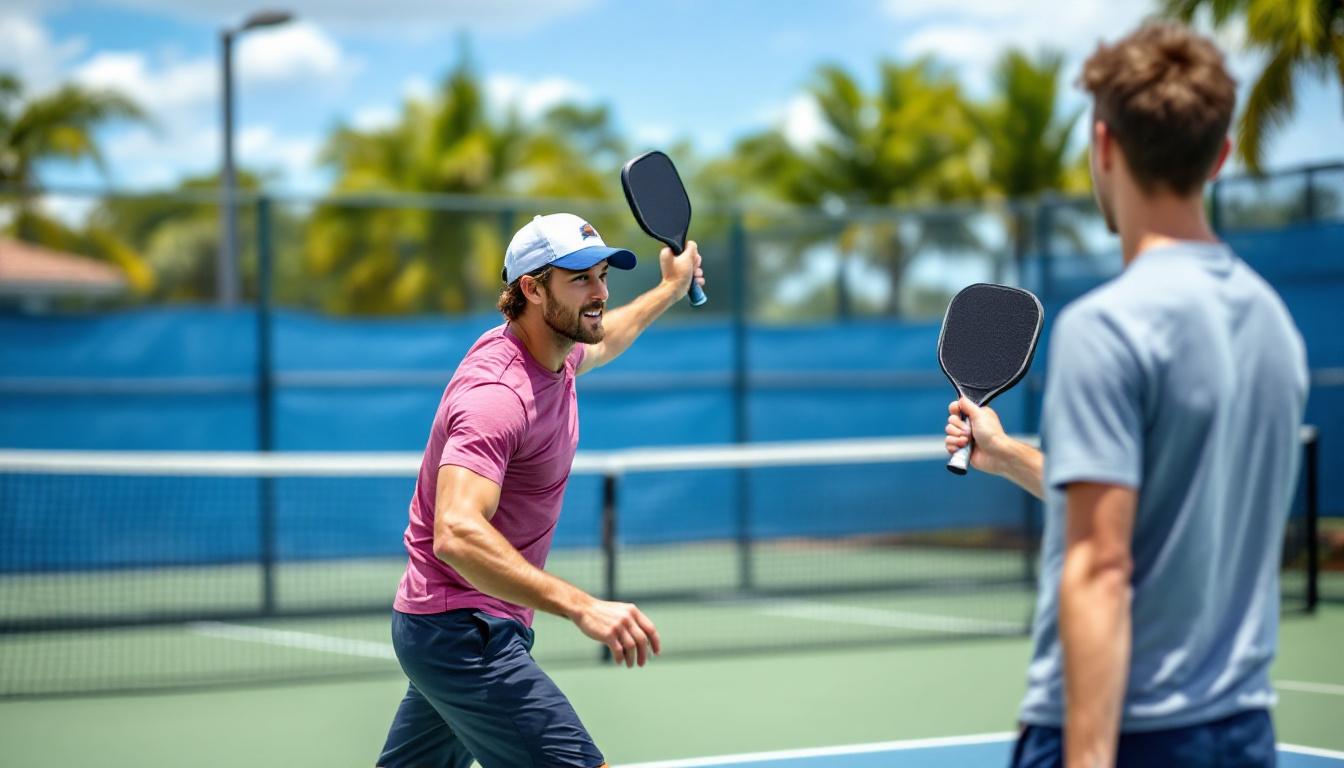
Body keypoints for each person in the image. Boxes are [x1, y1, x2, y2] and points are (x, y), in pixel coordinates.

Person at [943, 23, 1309, 768]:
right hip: (1243, 733)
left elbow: (1103, 567)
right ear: (1222, 158)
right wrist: (1007, 454)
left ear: (1103, 147)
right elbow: (1148, 514)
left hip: (1126, 736)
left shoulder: (1106, 326)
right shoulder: (1277, 326)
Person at [378, 212, 705, 768]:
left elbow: (611, 334)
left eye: (602, 275)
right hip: (463, 630)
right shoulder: (496, 396)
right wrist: (581, 607)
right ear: (531, 288)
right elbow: (456, 533)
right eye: (581, 279)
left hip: (449, 626)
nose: (600, 291)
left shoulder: (558, 352)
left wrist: (670, 288)